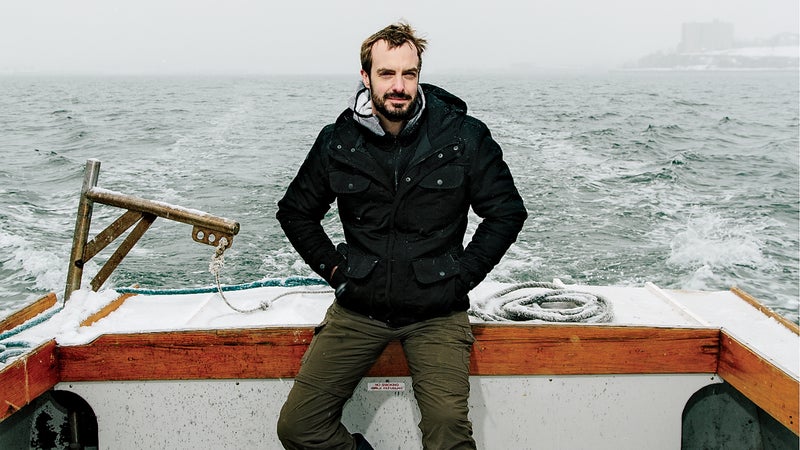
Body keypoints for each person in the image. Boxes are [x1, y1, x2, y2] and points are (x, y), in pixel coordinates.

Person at [275, 22, 527, 450]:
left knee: (449, 430)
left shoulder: (463, 137)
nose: (399, 86)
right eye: (387, 74)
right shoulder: (339, 141)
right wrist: (336, 271)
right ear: (365, 77)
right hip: (359, 308)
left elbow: (506, 212)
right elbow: (296, 212)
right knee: (299, 427)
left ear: (419, 75)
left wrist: (461, 277)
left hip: (436, 314)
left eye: (408, 74)